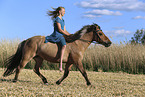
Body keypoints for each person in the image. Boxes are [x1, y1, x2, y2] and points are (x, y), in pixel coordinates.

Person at [47, 7, 70, 72]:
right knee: (64, 45)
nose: (64, 12)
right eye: (63, 11)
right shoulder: (57, 19)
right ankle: (60, 64)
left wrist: (70, 35)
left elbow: (65, 30)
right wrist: (67, 35)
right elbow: (60, 30)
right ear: (60, 12)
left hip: (62, 34)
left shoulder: (63, 20)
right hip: (58, 35)